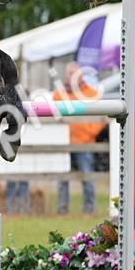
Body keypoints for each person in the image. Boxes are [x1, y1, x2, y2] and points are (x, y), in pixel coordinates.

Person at [54, 62, 104, 215]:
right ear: (66, 75)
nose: (73, 76)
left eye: (77, 73)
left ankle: (89, 210)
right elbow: (54, 116)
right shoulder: (58, 94)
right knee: (62, 178)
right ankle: (62, 209)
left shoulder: (91, 93)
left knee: (87, 178)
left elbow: (101, 118)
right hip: (64, 142)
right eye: (71, 73)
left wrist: (89, 132)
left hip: (84, 143)